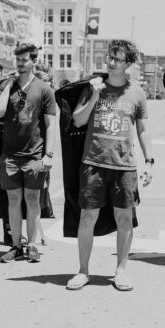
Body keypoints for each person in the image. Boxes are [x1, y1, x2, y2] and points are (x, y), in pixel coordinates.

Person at [66, 40, 154, 291]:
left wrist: (149, 160)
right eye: (109, 57)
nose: (111, 62)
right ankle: (83, 271)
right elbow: (79, 120)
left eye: (117, 58)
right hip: (94, 163)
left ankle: (121, 270)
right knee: (87, 218)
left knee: (124, 218)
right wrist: (94, 95)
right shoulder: (94, 86)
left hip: (124, 166)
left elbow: (144, 130)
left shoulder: (136, 92)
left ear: (128, 63)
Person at [0, 43, 58, 263]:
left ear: (33, 61)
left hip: (34, 155)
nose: (20, 64)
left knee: (32, 199)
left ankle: (32, 246)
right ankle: (16, 246)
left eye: (24, 60)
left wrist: (49, 155)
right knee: (13, 199)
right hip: (10, 155)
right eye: (17, 60)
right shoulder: (6, 86)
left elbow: (51, 124)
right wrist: (9, 86)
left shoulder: (44, 89)